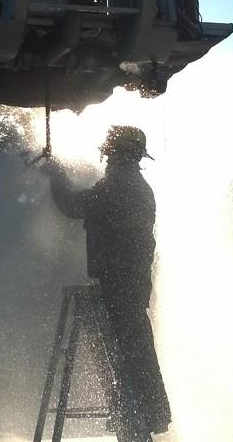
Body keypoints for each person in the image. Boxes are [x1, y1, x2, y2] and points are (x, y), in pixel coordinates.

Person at [45, 125, 171, 439]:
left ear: (115, 153)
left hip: (120, 284)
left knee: (130, 359)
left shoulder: (117, 187)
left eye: (112, 153)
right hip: (131, 282)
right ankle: (146, 416)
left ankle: (138, 417)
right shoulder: (135, 186)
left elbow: (72, 205)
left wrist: (56, 176)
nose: (108, 159)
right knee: (136, 353)